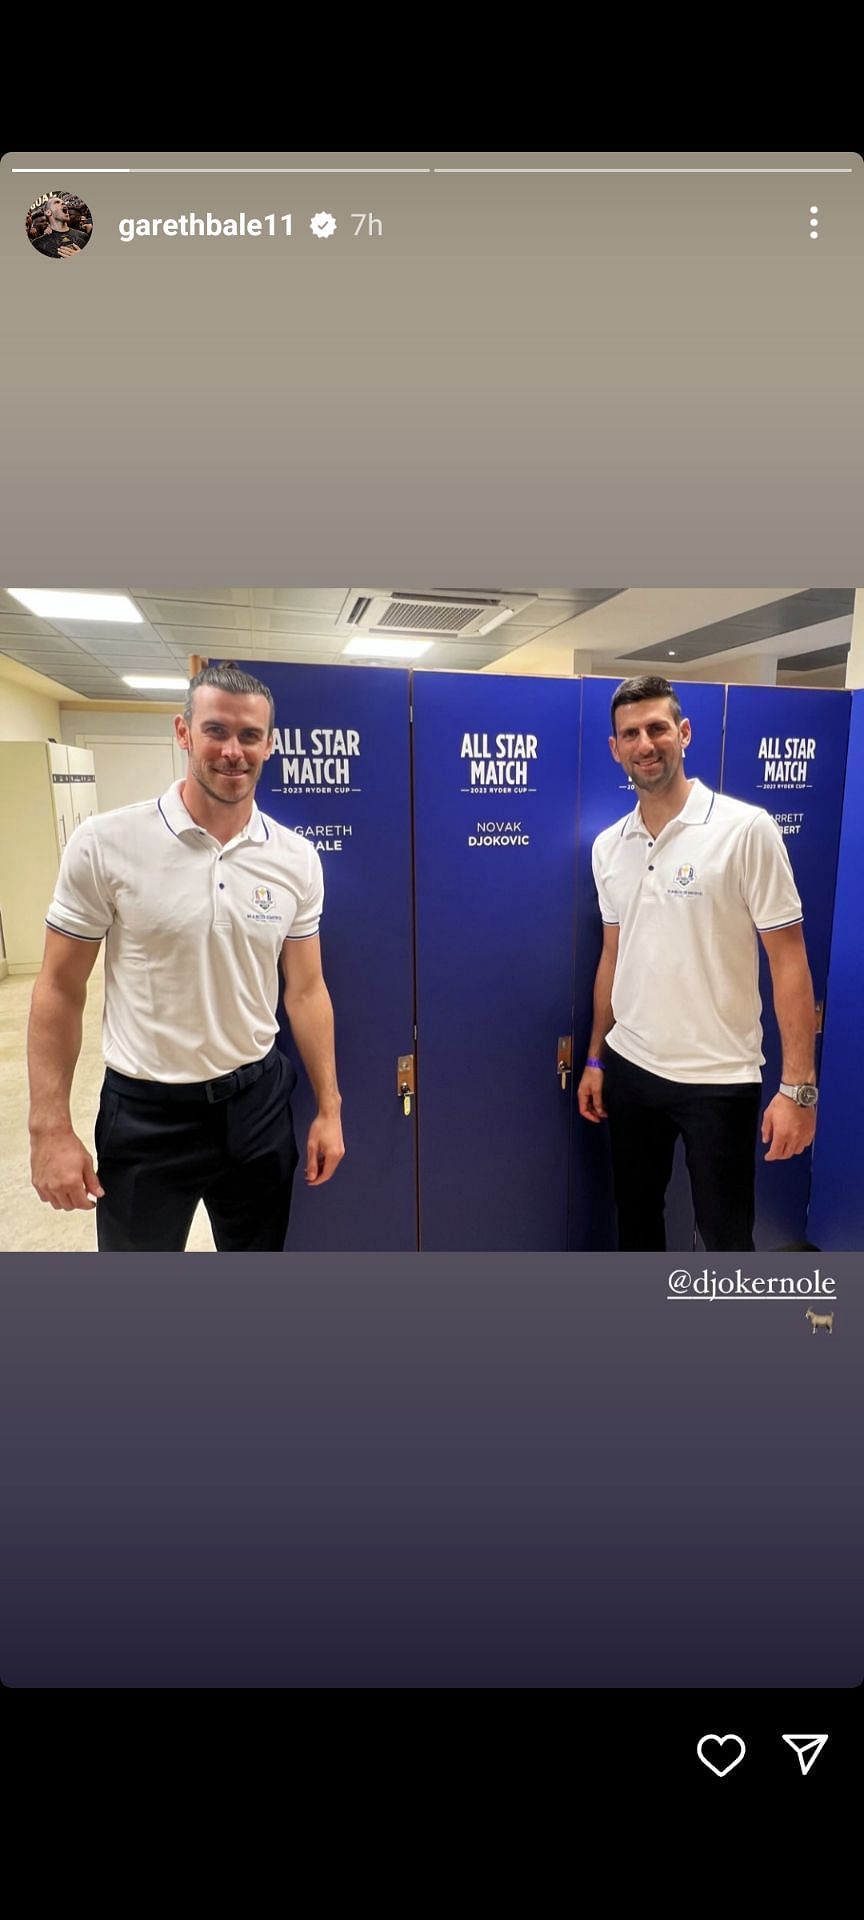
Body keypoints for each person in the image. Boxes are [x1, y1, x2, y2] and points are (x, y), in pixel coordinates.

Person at [27, 662, 345, 1251]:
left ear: (269, 745)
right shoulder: (105, 843)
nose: (233, 751)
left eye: (250, 736)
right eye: (215, 731)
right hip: (147, 1113)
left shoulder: (297, 858)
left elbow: (306, 990)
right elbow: (58, 988)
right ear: (183, 732)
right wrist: (48, 1126)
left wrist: (330, 1106)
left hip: (256, 1106)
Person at [576, 675, 817, 1252]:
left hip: (719, 1078)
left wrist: (799, 1089)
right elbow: (614, 955)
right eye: (630, 734)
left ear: (683, 734)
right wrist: (595, 1057)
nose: (645, 744)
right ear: (615, 748)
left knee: (726, 1236)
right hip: (631, 1066)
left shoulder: (745, 830)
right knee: (636, 1220)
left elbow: (789, 962)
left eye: (658, 728)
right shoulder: (609, 845)